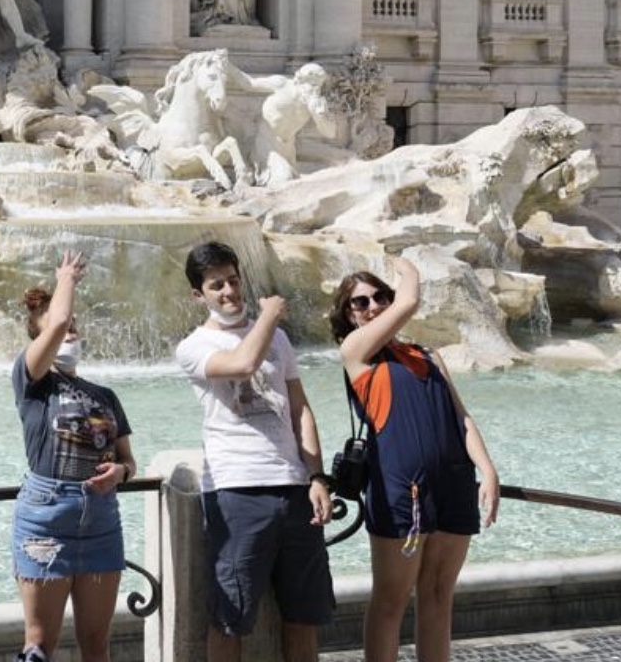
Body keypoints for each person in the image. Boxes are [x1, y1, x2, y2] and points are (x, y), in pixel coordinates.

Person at [329, 257, 499, 662]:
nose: (372, 306)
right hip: (399, 488)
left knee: (440, 596)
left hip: (453, 484)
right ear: (349, 317)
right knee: (390, 601)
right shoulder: (356, 354)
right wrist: (409, 272)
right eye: (360, 303)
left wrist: (488, 471)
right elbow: (410, 303)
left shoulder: (428, 354)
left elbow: (462, 418)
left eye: (379, 296)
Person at [174, 241, 333, 662]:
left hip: (294, 488)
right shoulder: (193, 346)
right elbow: (243, 364)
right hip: (236, 490)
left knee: (304, 616)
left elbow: (300, 408)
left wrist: (316, 475)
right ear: (199, 295)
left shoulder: (277, 338)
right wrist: (268, 315)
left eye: (232, 280)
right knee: (230, 617)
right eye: (215, 285)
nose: (228, 291)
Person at [11, 251, 137, 662]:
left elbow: (129, 461)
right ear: (39, 338)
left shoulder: (106, 396)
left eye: (74, 329)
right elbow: (60, 320)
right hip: (47, 516)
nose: (69, 333)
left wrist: (120, 472)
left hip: (101, 519)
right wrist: (66, 278)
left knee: (96, 644)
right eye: (59, 330)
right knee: (39, 643)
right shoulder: (33, 382)